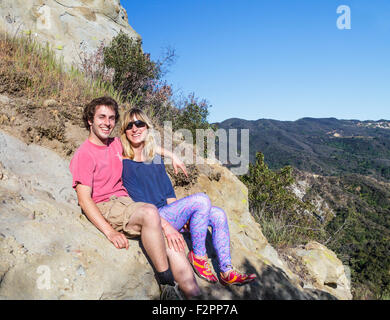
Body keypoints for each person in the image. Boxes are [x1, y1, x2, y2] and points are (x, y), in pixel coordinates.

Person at [69, 96, 200, 299]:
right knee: (150, 212)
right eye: (101, 117)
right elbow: (84, 199)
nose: (107, 123)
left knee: (173, 244)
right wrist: (110, 232)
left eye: (112, 118)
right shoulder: (84, 154)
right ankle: (166, 286)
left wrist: (172, 155)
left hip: (127, 204)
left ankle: (194, 294)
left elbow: (144, 145)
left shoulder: (113, 144)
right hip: (108, 206)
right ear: (89, 120)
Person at [120, 108, 257, 286]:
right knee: (201, 200)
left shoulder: (155, 159)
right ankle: (198, 256)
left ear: (147, 128)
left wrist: (183, 217)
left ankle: (227, 271)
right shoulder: (124, 162)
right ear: (124, 131)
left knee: (218, 215)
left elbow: (169, 196)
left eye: (139, 123)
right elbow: (140, 206)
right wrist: (168, 226)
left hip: (167, 212)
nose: (135, 128)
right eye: (129, 125)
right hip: (151, 219)